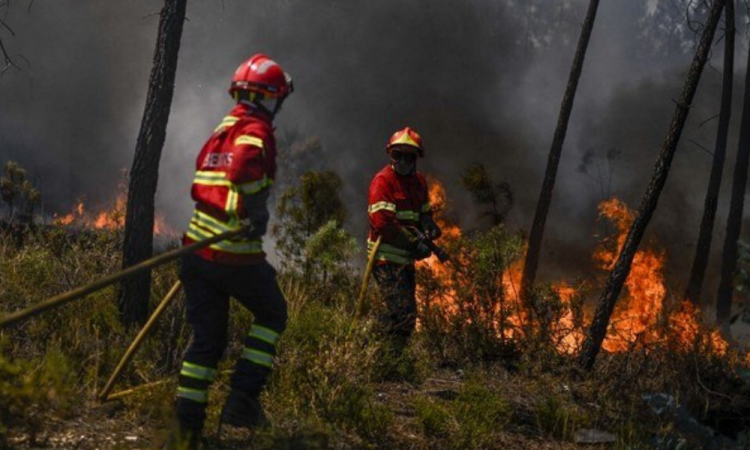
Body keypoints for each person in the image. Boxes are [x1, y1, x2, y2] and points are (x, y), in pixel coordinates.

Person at [169, 54, 293, 448]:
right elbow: (242, 170)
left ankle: (186, 430)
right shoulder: (256, 129)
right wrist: (256, 210)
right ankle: (242, 400)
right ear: (267, 97)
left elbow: (206, 175)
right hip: (231, 254)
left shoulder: (224, 128)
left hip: (196, 250)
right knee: (273, 312)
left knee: (207, 341)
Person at [367, 127, 442, 347]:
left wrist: (429, 226)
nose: (402, 161)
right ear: (390, 154)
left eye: (408, 156)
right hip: (386, 259)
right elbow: (383, 224)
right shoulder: (382, 181)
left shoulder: (419, 182)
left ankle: (383, 353)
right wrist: (415, 245)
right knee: (403, 314)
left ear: (416, 158)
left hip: (405, 262)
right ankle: (374, 346)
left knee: (404, 315)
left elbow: (424, 213)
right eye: (397, 154)